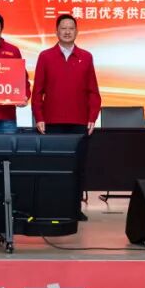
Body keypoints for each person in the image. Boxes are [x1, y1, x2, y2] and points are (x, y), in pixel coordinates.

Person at [30, 13, 101, 221]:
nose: (67, 32)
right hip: (52, 122)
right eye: (63, 28)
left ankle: (73, 208)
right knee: (53, 166)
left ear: (76, 32)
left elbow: (93, 91)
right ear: (57, 31)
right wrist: (39, 117)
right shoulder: (45, 56)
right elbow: (37, 92)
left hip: (79, 122)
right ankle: (52, 206)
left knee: (78, 167)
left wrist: (92, 116)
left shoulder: (86, 57)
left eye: (71, 28)